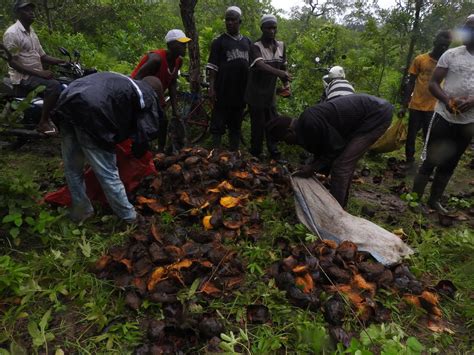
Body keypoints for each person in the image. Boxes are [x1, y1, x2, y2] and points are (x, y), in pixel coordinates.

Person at [52, 72, 163, 223]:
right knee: (108, 172)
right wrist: (139, 150)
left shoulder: (123, 81)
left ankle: (81, 212)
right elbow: (146, 129)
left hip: (67, 102)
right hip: (92, 112)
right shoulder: (147, 92)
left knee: (73, 168)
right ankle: (129, 217)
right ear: (156, 91)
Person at [267, 94, 392, 208]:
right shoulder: (306, 124)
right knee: (345, 163)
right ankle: (341, 206)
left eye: (284, 140)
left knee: (341, 166)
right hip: (371, 114)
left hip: (376, 114)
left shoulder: (309, 123)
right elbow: (325, 149)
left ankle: (335, 213)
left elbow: (336, 148)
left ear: (290, 131)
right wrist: (312, 165)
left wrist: (313, 167)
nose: (287, 143)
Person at [412, 15, 474, 213]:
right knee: (431, 158)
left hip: (468, 122)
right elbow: (433, 83)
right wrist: (447, 101)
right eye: (465, 28)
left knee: (452, 161)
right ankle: (414, 199)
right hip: (443, 116)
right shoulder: (452, 55)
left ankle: (434, 200)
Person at [3, 0, 66, 135]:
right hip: (23, 77)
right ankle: (43, 122)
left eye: (32, 9)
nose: (31, 12)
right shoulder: (12, 33)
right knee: (53, 86)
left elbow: (43, 56)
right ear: (18, 13)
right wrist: (40, 73)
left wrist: (64, 62)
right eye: (26, 10)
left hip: (35, 74)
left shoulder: (31, 32)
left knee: (65, 83)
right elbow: (13, 62)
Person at [399, 30, 452, 170]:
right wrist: (404, 105)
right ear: (434, 43)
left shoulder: (446, 63)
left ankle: (426, 166)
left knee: (430, 137)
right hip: (416, 104)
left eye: (446, 46)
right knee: (411, 135)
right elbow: (411, 82)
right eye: (441, 45)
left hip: (434, 108)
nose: (443, 48)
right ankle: (409, 161)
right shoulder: (420, 59)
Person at [131, 29, 191, 152]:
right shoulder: (156, 59)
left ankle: (160, 151)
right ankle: (141, 150)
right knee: (152, 122)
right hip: (140, 94)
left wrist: (175, 110)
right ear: (171, 45)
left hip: (156, 96)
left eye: (185, 44)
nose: (185, 47)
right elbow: (136, 79)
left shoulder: (178, 61)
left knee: (163, 121)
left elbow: (172, 83)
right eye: (181, 44)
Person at [245, 14, 291, 160]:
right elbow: (260, 65)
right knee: (257, 126)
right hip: (256, 94)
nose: (271, 31)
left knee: (273, 124)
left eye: (274, 28)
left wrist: (286, 85)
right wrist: (280, 73)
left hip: (270, 95)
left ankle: (274, 152)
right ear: (262, 29)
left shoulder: (281, 46)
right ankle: (256, 153)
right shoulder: (255, 47)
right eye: (268, 28)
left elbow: (283, 66)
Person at [206, 6, 252, 151]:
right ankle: (215, 153)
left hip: (240, 92)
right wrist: (211, 88)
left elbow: (252, 66)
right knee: (217, 124)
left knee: (235, 125)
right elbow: (212, 67)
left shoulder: (247, 42)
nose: (230, 22)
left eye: (233, 20)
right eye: (227, 19)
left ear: (240, 21)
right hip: (223, 90)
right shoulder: (219, 42)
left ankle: (233, 154)